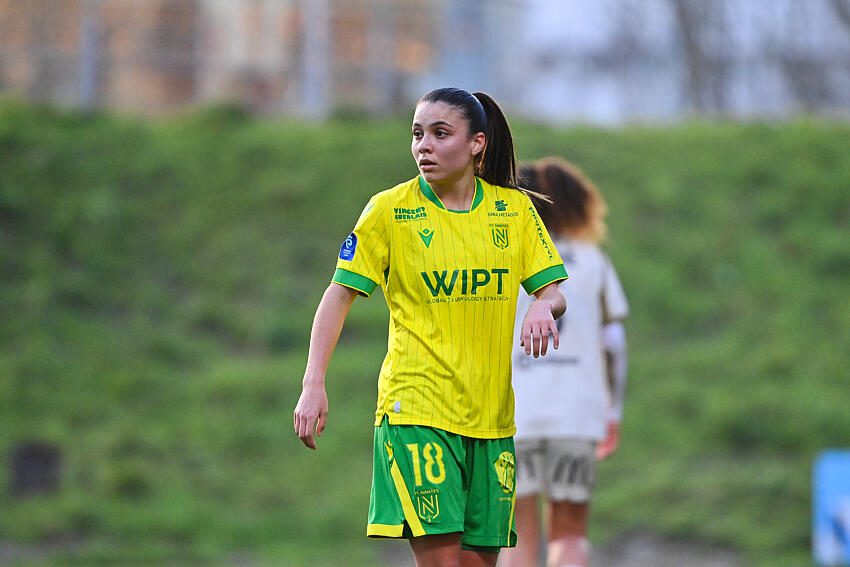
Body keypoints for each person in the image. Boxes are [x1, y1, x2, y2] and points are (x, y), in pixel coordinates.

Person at [293, 88, 569, 567]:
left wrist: (544, 305)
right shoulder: (389, 211)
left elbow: (553, 291)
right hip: (417, 409)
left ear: (477, 144)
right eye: (417, 134)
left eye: (441, 134)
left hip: (491, 418)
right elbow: (338, 295)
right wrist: (313, 381)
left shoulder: (514, 211)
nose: (424, 145)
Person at [500, 158, 629, 567]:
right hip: (577, 413)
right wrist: (613, 409)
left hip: (512, 413)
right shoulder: (592, 261)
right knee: (570, 534)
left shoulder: (503, 255)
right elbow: (613, 342)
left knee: (515, 535)